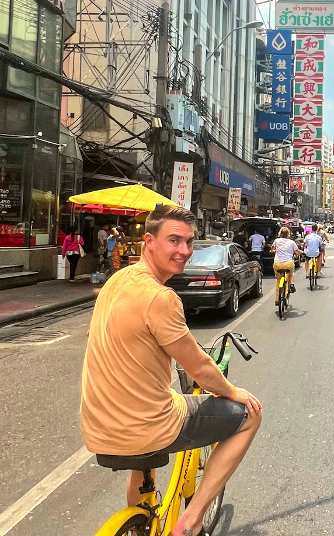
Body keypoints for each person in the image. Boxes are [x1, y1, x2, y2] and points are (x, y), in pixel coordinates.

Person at [80, 204, 262, 536]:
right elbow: (200, 368)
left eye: (189, 242)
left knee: (163, 404)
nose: (184, 251)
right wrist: (233, 391)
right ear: (149, 241)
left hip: (99, 428)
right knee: (250, 415)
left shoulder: (117, 281)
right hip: (147, 429)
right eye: (174, 240)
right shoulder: (160, 298)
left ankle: (140, 521)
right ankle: (191, 520)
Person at [271, 227, 299, 304]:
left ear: (280, 233)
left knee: (278, 280)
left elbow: (272, 249)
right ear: (288, 234)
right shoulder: (292, 242)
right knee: (291, 274)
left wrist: (274, 251)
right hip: (288, 264)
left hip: (277, 264)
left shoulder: (276, 241)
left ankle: (277, 299)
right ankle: (291, 285)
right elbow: (297, 252)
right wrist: (300, 253)